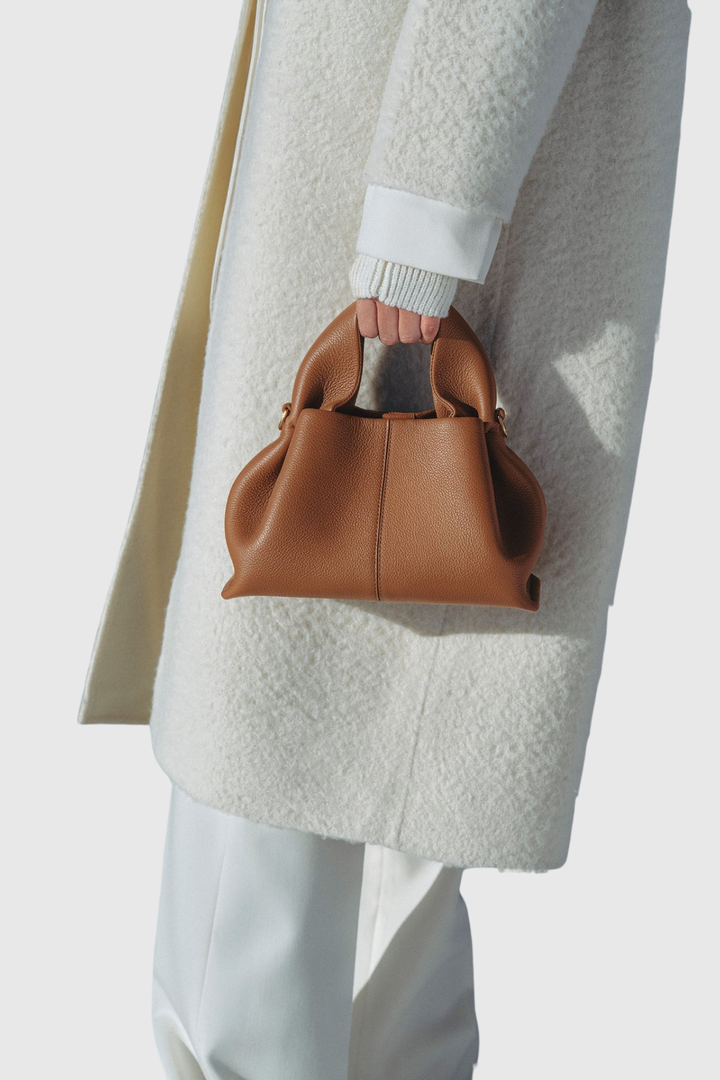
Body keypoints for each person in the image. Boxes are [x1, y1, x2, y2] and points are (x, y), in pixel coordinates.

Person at [77, 0, 692, 1076]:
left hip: (410, 210)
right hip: (418, 177)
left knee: (267, 793)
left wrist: (426, 213)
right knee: (389, 828)